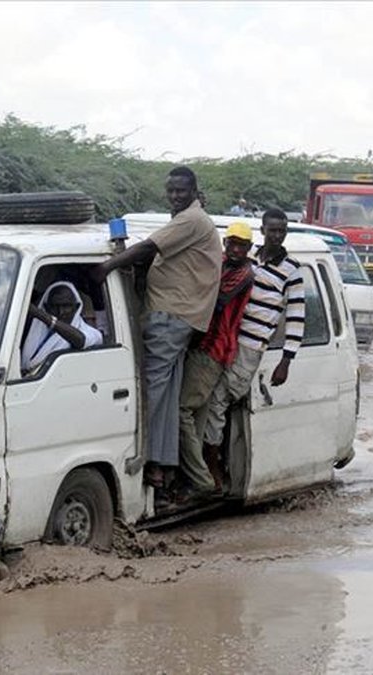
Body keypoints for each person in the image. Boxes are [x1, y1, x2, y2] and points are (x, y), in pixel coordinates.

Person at [90, 166, 222, 489]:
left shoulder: (192, 219)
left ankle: (141, 457)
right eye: (171, 190)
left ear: (193, 191)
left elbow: (150, 248)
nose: (175, 195)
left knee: (147, 389)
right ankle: (162, 466)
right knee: (164, 391)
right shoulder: (188, 220)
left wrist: (107, 266)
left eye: (181, 190)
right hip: (178, 317)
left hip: (171, 316)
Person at [201, 209, 303, 463]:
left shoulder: (292, 271)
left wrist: (286, 361)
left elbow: (296, 317)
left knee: (217, 402)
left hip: (250, 345)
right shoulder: (248, 258)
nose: (277, 235)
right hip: (225, 338)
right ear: (263, 230)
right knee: (206, 400)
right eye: (273, 230)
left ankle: (211, 465)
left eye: (282, 231)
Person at [178, 221, 255, 498]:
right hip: (200, 345)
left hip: (213, 348)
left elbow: (216, 298)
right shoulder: (221, 263)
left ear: (249, 249)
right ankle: (192, 475)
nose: (235, 249)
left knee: (182, 410)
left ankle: (200, 478)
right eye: (231, 243)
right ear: (225, 243)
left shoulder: (244, 273)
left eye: (241, 245)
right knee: (197, 412)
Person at [21, 281, 103, 371]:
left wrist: (43, 316)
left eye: (66, 306)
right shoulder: (35, 331)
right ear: (46, 307)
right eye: (55, 306)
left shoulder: (90, 332)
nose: (61, 312)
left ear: (76, 307)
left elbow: (81, 340)